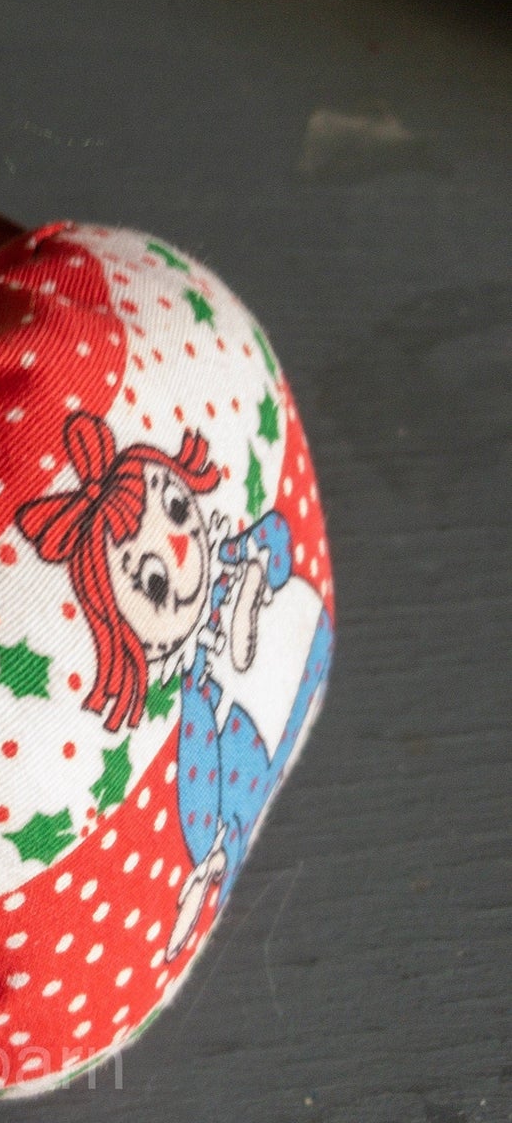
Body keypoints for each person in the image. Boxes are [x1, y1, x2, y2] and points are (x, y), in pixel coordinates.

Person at [17, 411, 332, 960]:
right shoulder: (197, 699)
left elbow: (277, 537)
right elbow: (197, 789)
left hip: (306, 645)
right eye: (151, 580)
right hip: (263, 725)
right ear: (128, 634)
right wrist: (211, 855)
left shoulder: (234, 556)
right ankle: (219, 861)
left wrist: (255, 577)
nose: (182, 553)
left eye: (179, 509)